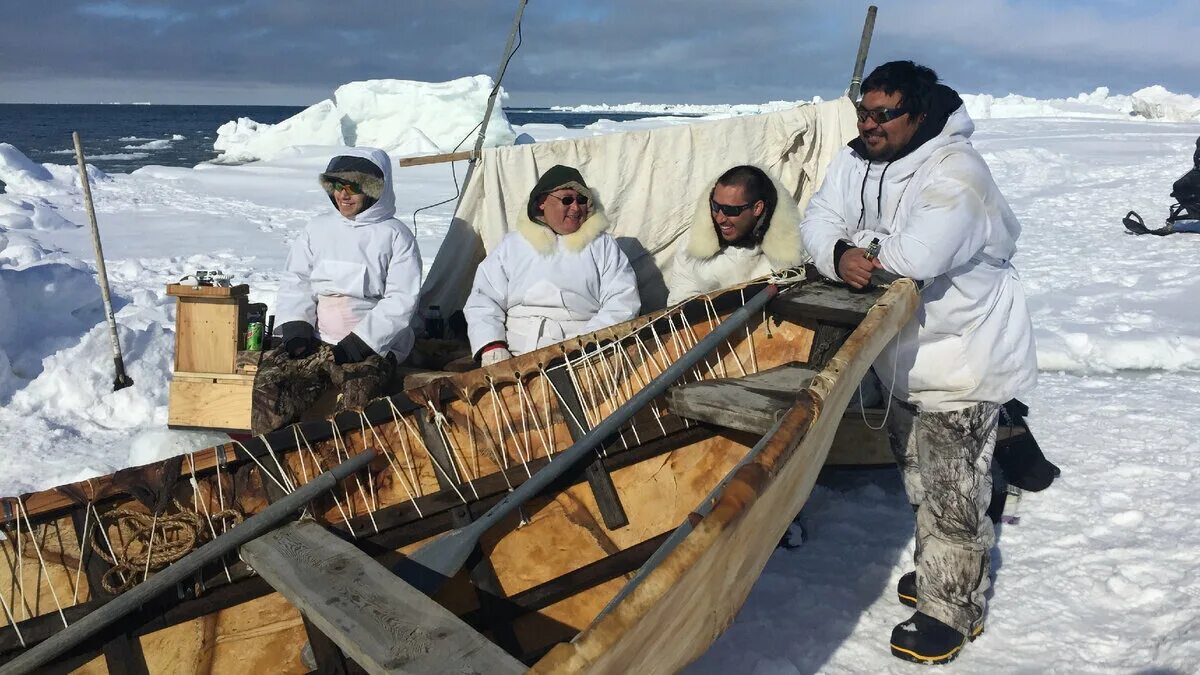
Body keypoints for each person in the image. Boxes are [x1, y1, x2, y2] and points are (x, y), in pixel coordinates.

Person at [799, 61, 1037, 664]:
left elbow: (916, 256)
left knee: (953, 490)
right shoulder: (856, 159)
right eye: (863, 110)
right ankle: (941, 570)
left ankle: (952, 608)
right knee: (916, 475)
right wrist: (836, 250)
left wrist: (855, 251)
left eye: (884, 114)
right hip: (902, 357)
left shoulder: (958, 172)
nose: (869, 123)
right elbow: (816, 219)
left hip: (961, 358)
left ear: (920, 114)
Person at [251, 147, 421, 435]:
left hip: (370, 348)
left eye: (354, 186)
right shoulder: (317, 229)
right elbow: (298, 279)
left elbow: (401, 299)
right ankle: (272, 463)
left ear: (373, 190)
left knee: (353, 412)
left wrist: (363, 342)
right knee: (270, 391)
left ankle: (347, 470)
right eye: (337, 186)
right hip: (318, 340)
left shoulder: (396, 236)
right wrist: (296, 327)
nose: (344, 195)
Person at [464, 164, 640, 364]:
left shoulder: (602, 246)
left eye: (581, 200)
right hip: (515, 353)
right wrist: (492, 345)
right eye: (567, 200)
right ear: (541, 202)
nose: (575, 207)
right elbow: (484, 298)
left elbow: (622, 300)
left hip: (583, 353)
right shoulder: (513, 245)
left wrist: (586, 344)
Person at [666, 165, 808, 304]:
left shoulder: (796, 249)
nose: (720, 218)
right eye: (715, 207)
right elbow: (679, 305)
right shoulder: (691, 245)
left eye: (730, 210)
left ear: (757, 208)